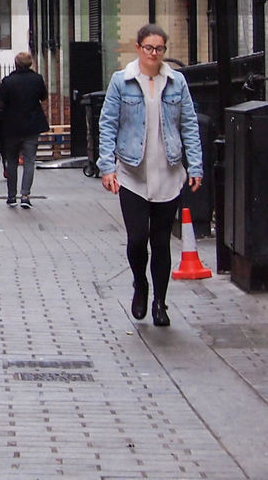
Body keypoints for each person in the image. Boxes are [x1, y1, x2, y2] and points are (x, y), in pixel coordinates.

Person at [98, 23, 203, 328]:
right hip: (133, 173)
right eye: (149, 48)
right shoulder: (122, 81)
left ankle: (160, 301)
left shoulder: (177, 82)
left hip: (169, 173)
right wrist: (107, 167)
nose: (154, 54)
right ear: (138, 48)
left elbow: (189, 126)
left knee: (160, 242)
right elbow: (108, 124)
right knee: (136, 239)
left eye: (159, 49)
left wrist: (194, 166)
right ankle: (139, 284)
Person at [0, 52, 48, 209]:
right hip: (32, 125)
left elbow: (1, 102)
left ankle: (11, 195)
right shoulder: (37, 79)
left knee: (11, 161)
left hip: (12, 126)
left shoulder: (7, 81)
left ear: (16, 63)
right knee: (29, 161)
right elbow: (43, 96)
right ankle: (25, 195)